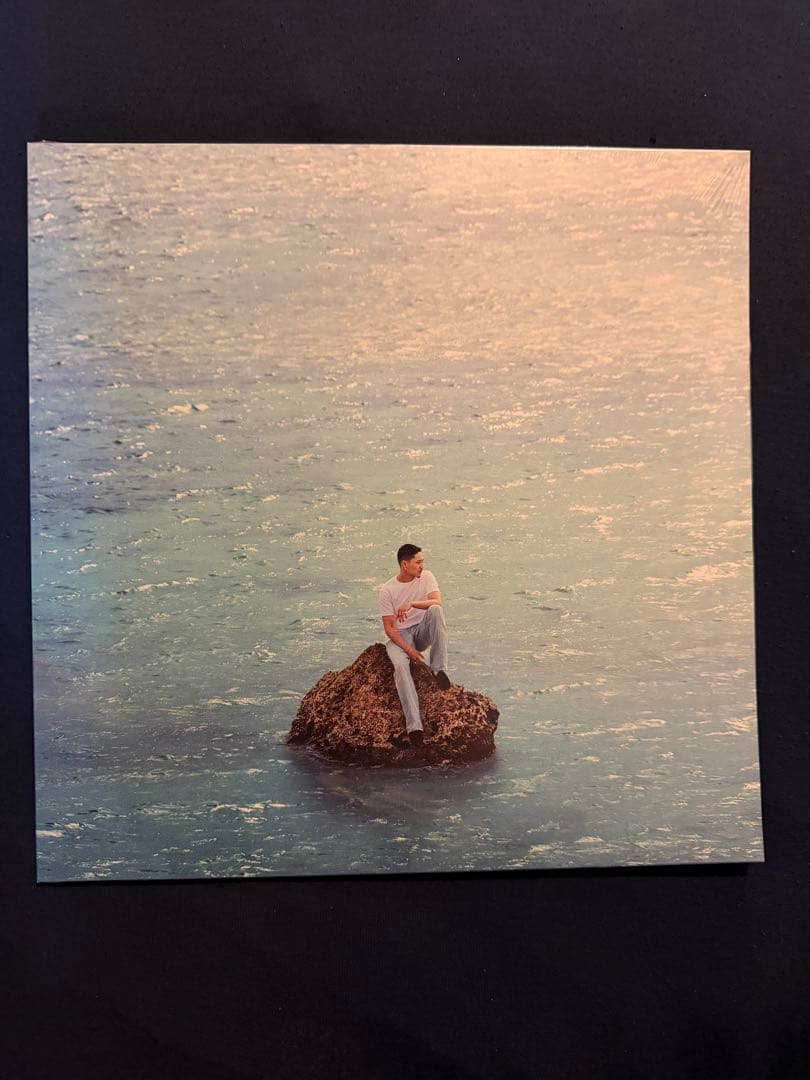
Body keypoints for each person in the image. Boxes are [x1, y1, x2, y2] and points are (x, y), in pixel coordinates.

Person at [378, 543, 451, 745]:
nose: (421, 566)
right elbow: (389, 629)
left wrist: (411, 604)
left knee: (436, 611)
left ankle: (438, 669)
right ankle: (414, 727)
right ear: (405, 564)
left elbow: (436, 601)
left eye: (422, 562)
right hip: (400, 636)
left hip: (421, 630)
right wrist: (409, 650)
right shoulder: (387, 590)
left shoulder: (426, 576)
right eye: (418, 562)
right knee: (401, 666)